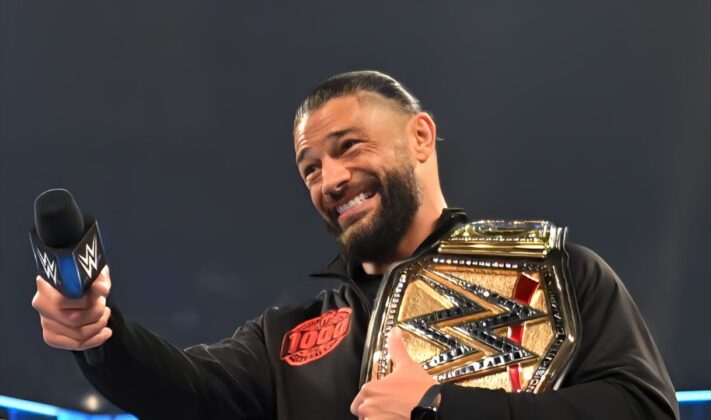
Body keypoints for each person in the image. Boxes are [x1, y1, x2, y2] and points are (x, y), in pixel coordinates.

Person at [31, 70, 679, 419]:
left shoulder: (555, 274)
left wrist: (438, 408)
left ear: (420, 138)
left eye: (349, 148)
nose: (330, 179)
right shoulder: (286, 339)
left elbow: (645, 411)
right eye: (310, 169)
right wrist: (98, 333)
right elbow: (187, 391)